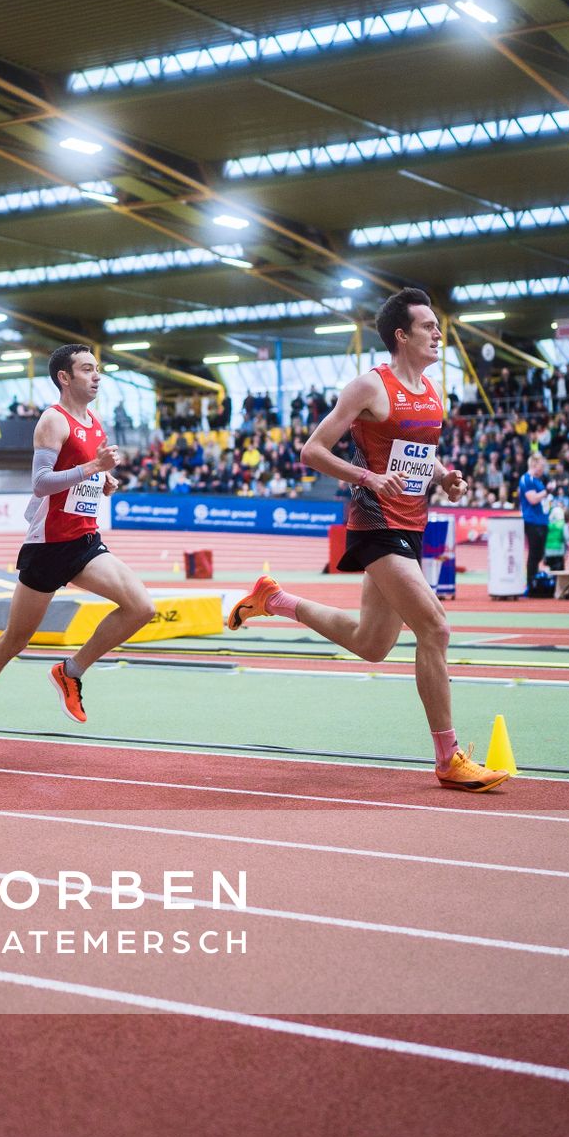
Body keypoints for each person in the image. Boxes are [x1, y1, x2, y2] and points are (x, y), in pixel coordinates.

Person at [225, 288, 509, 792]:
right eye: (428, 326)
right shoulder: (369, 387)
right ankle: (448, 758)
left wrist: (444, 476)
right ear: (401, 335)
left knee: (371, 644)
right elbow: (312, 451)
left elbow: (417, 454)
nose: (438, 333)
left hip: (412, 525)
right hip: (376, 524)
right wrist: (368, 479)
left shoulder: (431, 390)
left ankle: (276, 599)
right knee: (435, 629)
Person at [0, 344, 153, 761]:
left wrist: (103, 481)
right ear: (65, 377)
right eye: (87, 369)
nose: (97, 376)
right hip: (47, 547)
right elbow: (40, 483)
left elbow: (84, 476)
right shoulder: (52, 421)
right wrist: (93, 470)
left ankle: (69, 671)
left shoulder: (94, 423)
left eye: (98, 369)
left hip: (84, 541)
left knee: (141, 606)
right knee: (14, 639)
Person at [516, 451, 550, 593]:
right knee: (534, 553)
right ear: (534, 464)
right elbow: (532, 499)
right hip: (532, 521)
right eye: (541, 465)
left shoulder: (538, 480)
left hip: (542, 520)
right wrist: (547, 491)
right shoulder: (526, 479)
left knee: (540, 553)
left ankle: (535, 581)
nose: (542, 469)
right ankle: (530, 583)